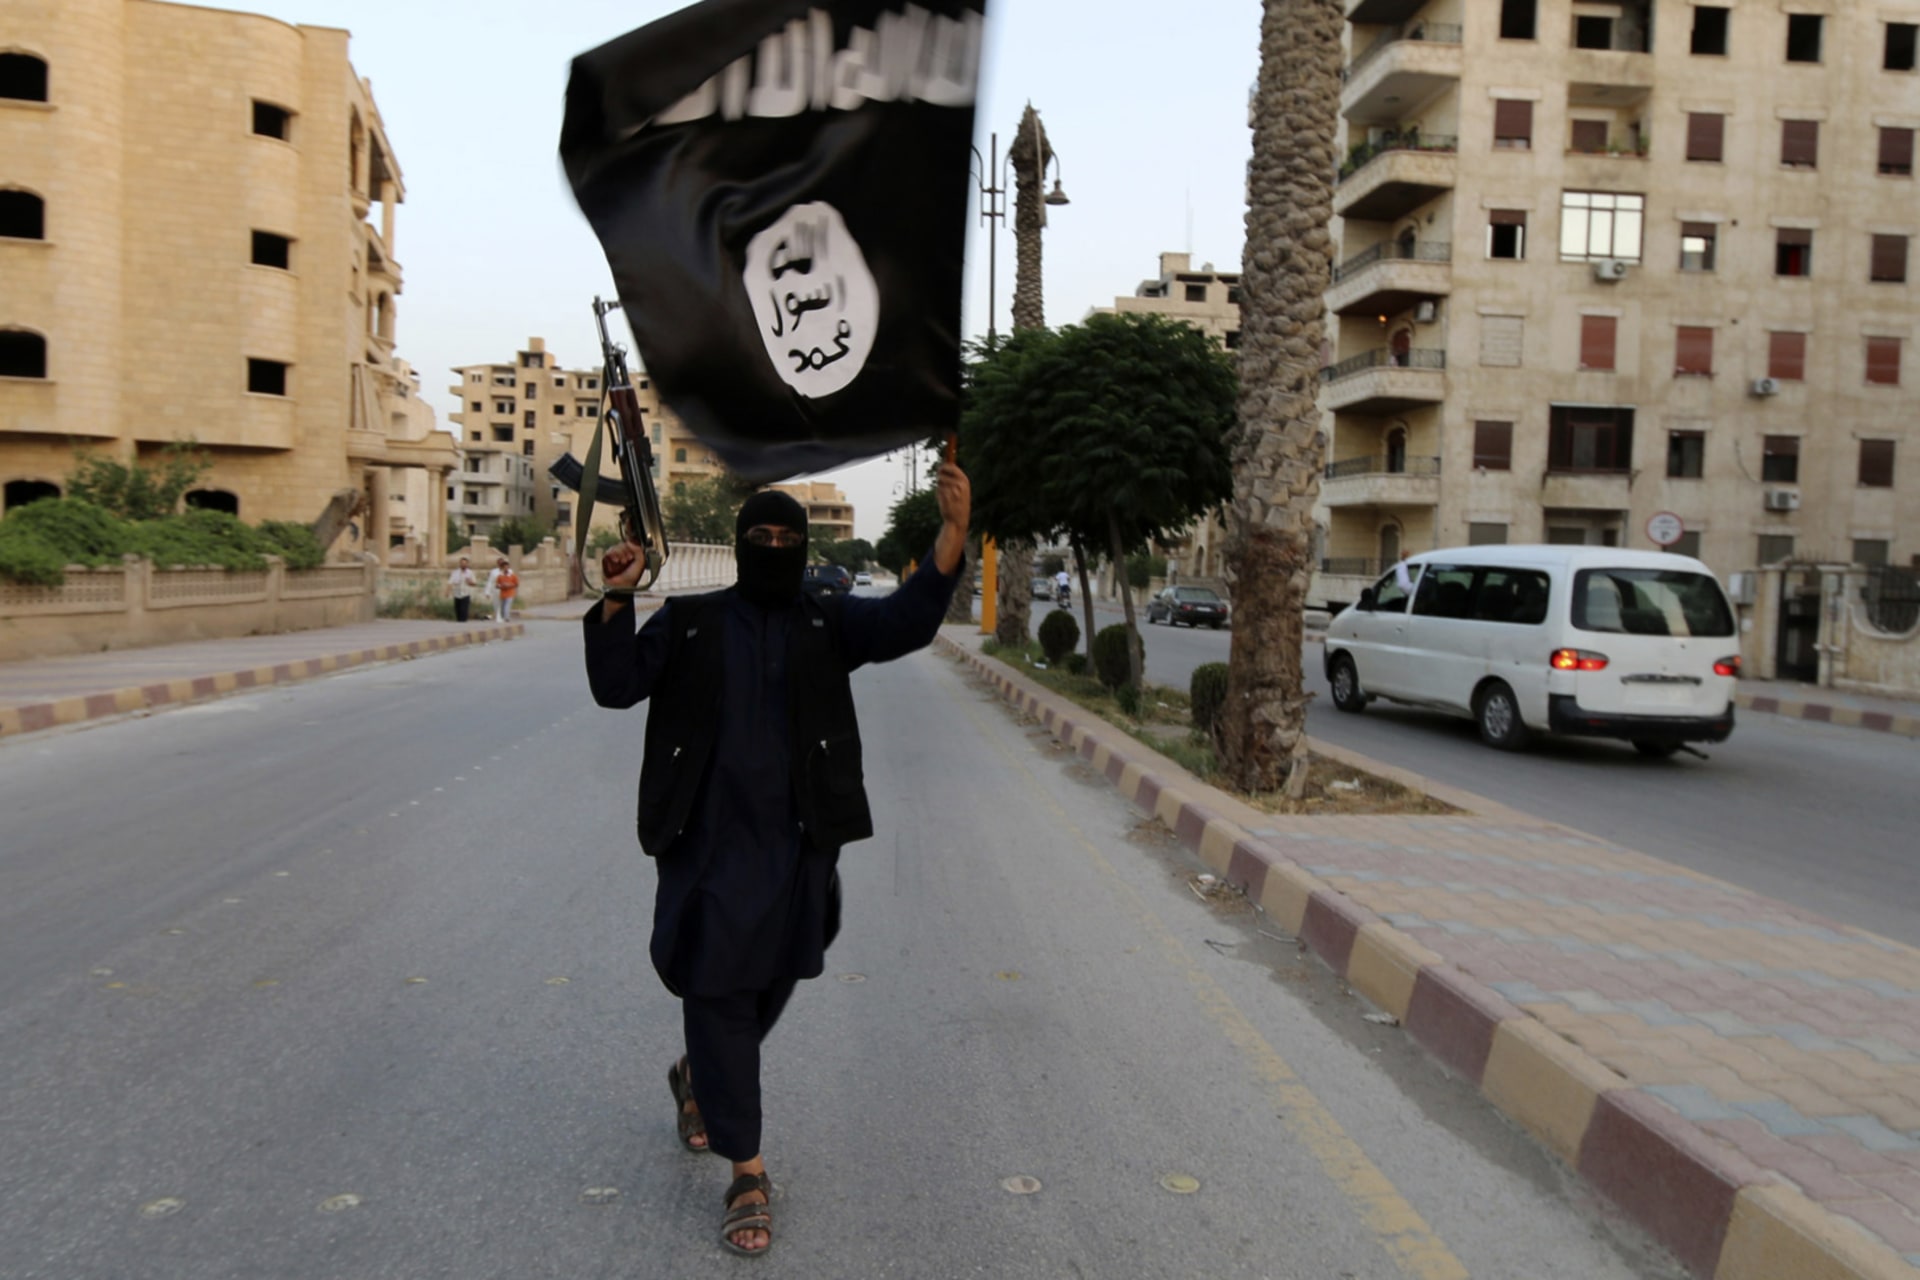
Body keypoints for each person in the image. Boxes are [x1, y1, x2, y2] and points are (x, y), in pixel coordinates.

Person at [584, 457, 970, 1258]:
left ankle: (700, 1072)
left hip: (799, 847)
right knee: (720, 985)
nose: (772, 545)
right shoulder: (691, 623)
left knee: (786, 963)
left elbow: (905, 620)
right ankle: (748, 1170)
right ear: (740, 544)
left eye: (785, 536)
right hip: (708, 849)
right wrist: (617, 595)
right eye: (758, 535)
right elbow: (616, 684)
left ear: (800, 547)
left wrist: (953, 533)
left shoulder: (826, 621)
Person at [486, 556, 519, 623]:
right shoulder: (494, 572)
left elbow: (514, 582)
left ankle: (505, 617)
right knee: (498, 605)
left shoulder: (510, 572)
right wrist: (487, 592)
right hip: (497, 591)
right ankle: (499, 617)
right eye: (500, 563)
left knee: (506, 605)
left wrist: (509, 586)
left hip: (508, 592)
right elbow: (490, 582)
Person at [446, 557, 478, 623]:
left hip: (466, 594)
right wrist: (447, 591)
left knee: (464, 611)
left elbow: (474, 583)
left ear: (467, 564)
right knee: (458, 611)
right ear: (460, 564)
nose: (463, 565)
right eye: (462, 563)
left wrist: (470, 582)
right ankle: (459, 624)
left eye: (465, 563)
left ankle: (463, 624)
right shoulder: (455, 572)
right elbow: (450, 582)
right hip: (457, 594)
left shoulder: (470, 573)